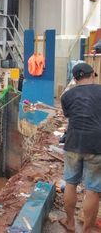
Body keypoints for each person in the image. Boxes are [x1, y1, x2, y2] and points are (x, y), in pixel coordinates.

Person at [60, 63, 101, 233]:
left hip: (73, 144)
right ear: (92, 75)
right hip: (96, 145)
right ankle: (88, 228)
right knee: (92, 189)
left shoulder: (66, 96)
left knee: (70, 183)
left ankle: (70, 223)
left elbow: (70, 116)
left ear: (75, 79)